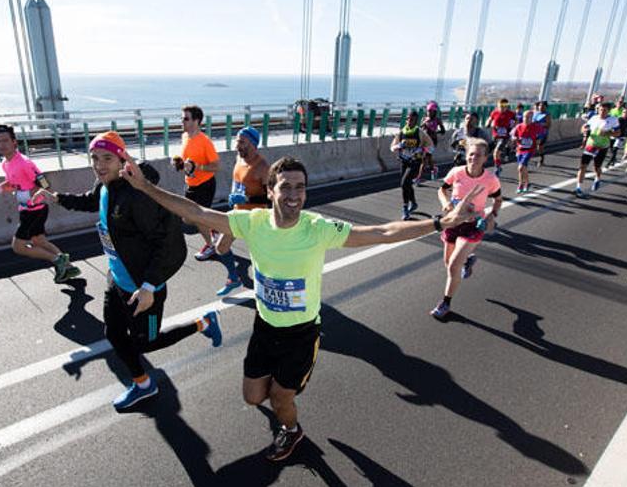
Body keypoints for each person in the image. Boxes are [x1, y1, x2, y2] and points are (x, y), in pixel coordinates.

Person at [119, 155, 480, 461]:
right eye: (286, 187)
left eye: (300, 188)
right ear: (271, 190)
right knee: (251, 397)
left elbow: (382, 232)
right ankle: (283, 396)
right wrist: (144, 188)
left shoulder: (318, 228)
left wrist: (438, 223)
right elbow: (195, 210)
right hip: (265, 327)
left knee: (280, 398)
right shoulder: (252, 222)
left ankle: (291, 430)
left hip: (302, 333)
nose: (294, 195)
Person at [40, 132, 222, 409]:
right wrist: (56, 198)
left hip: (145, 289)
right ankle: (143, 384)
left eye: (107, 158)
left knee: (146, 343)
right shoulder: (106, 185)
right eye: (95, 158)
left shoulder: (139, 196)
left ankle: (204, 323)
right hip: (118, 281)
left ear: (122, 158)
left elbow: (168, 243)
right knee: (113, 334)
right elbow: (91, 200)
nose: (99, 165)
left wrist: (149, 286)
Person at [0, 124, 80, 283]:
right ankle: (69, 268)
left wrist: (34, 194)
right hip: (27, 209)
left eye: (5, 141)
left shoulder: (24, 163)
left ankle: (58, 260)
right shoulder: (6, 163)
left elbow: (44, 183)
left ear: (14, 142)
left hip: (34, 210)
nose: (1, 145)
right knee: (39, 241)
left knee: (18, 246)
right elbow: (11, 185)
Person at [432, 137, 502, 319]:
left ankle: (445, 303)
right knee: (448, 265)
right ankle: (468, 260)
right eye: (471, 154)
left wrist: (492, 216)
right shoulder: (457, 172)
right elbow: (441, 190)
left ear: (486, 158)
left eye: (478, 155)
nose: (473, 158)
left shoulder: (490, 179)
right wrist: (446, 204)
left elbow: (498, 199)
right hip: (453, 222)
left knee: (453, 267)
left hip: (473, 225)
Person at [214, 126, 270, 296]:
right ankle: (233, 278)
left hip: (256, 218)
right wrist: (234, 194)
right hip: (238, 215)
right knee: (221, 247)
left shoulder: (263, 167)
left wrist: (247, 200)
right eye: (237, 141)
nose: (237, 145)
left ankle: (267, 287)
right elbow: (237, 179)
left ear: (253, 144)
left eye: (241, 142)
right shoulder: (239, 158)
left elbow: (271, 199)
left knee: (260, 258)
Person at [174, 105, 221, 261]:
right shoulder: (185, 137)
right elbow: (187, 161)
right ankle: (214, 228)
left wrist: (198, 166)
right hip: (191, 184)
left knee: (197, 218)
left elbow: (216, 166)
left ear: (197, 121)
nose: (182, 121)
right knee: (187, 218)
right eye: (181, 118)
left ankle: (211, 246)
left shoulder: (205, 141)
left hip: (205, 185)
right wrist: (179, 163)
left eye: (186, 118)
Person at [390, 110, 434, 220]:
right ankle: (413, 203)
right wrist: (399, 146)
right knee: (407, 184)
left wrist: (422, 149)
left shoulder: (420, 133)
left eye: (412, 119)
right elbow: (392, 147)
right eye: (408, 118)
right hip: (404, 161)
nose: (409, 121)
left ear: (416, 121)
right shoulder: (401, 133)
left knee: (404, 183)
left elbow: (431, 147)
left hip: (415, 162)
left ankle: (405, 209)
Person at [577, 102, 620, 198]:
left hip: (602, 146)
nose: (602, 112)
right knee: (583, 166)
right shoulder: (594, 118)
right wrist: (583, 129)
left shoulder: (613, 120)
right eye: (600, 110)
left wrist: (608, 133)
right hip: (590, 145)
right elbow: (584, 127)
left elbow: (618, 133)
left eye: (604, 110)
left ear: (609, 111)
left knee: (597, 167)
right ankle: (578, 188)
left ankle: (597, 178)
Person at [510, 110, 543, 194]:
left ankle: (520, 184)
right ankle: (527, 183)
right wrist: (514, 139)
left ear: (532, 118)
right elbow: (513, 136)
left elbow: (541, 136)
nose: (526, 119)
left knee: (520, 167)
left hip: (529, 150)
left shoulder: (536, 126)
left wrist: (538, 141)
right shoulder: (518, 126)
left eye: (529, 117)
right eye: (525, 117)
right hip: (520, 150)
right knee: (523, 169)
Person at [485, 98, 516, 176]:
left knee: (496, 152)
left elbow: (515, 122)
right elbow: (489, 119)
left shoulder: (511, 114)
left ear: (507, 106)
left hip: (505, 136)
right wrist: (488, 123)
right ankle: (499, 163)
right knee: (490, 152)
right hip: (495, 135)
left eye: (504, 106)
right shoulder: (494, 112)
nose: (502, 108)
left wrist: (513, 130)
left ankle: (497, 167)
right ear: (498, 105)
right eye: (500, 106)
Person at [417, 101, 446, 182]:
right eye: (428, 111)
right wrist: (422, 126)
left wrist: (435, 132)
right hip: (424, 141)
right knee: (428, 160)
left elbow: (443, 131)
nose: (429, 113)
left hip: (432, 142)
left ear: (434, 112)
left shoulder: (437, 120)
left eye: (431, 111)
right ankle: (434, 169)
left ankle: (418, 178)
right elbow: (420, 129)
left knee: (424, 159)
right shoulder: (424, 119)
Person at [532, 101, 552, 167]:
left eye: (543, 106)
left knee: (539, 148)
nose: (541, 107)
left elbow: (548, 125)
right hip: (534, 133)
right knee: (532, 147)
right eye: (540, 106)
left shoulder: (547, 114)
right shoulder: (536, 113)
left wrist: (539, 124)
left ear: (546, 107)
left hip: (543, 134)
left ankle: (541, 160)